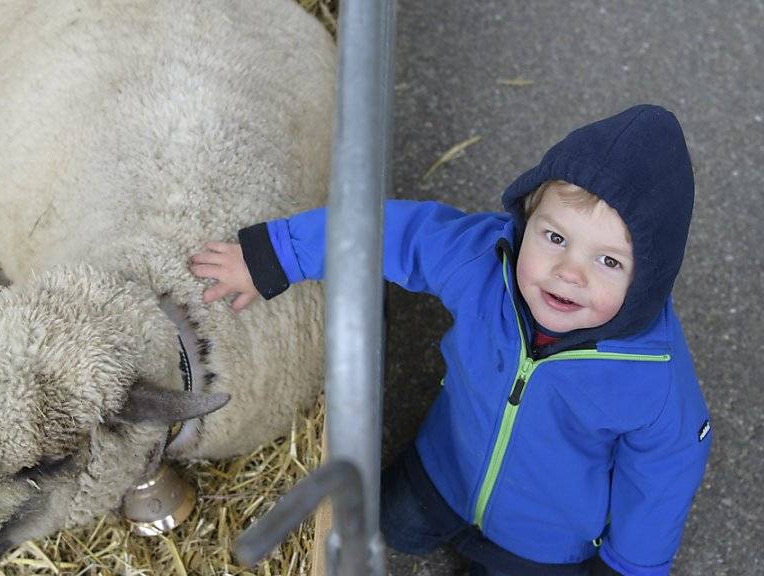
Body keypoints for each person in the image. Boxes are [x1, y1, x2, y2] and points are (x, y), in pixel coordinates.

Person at [188, 104, 711, 576]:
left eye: (608, 261)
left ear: (647, 282)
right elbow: (400, 234)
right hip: (443, 470)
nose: (567, 273)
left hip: (544, 542)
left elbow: (662, 481)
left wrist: (630, 568)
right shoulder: (486, 258)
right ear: (526, 220)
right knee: (391, 526)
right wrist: (276, 253)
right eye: (554, 238)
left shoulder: (653, 375)